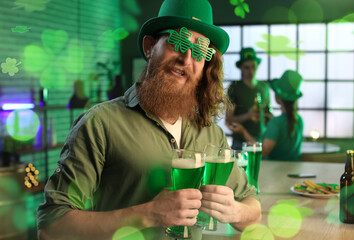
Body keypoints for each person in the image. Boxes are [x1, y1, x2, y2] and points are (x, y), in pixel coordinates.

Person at [36, 0, 261, 240]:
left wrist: (235, 210)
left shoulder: (210, 132)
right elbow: (51, 227)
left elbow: (253, 209)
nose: (186, 59)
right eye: (178, 41)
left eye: (200, 50)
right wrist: (149, 214)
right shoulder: (99, 124)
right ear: (149, 47)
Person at [230, 70, 304, 161]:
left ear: (278, 97)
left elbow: (263, 152)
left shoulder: (275, 123)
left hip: (274, 171)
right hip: (293, 170)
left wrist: (243, 131)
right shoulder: (299, 120)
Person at [226, 47, 272, 150]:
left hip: (260, 140)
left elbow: (268, 114)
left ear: (257, 66)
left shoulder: (264, 87)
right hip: (240, 142)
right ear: (240, 68)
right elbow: (229, 119)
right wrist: (248, 115)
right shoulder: (235, 87)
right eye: (247, 67)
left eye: (253, 67)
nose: (250, 71)